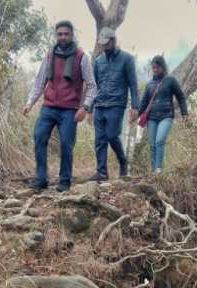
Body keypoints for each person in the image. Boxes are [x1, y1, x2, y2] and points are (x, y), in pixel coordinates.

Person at [24, 20, 97, 193]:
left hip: (70, 109)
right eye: (60, 34)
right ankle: (41, 179)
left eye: (66, 34)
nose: (63, 37)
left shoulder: (82, 57)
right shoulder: (50, 55)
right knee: (39, 136)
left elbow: (93, 86)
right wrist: (29, 102)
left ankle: (64, 181)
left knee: (66, 143)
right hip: (49, 106)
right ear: (56, 35)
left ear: (72, 35)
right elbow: (40, 82)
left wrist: (85, 108)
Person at [89, 27, 139, 181]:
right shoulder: (98, 61)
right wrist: (89, 108)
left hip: (117, 104)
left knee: (111, 135)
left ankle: (123, 161)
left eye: (106, 43)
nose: (104, 46)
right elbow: (94, 85)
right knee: (99, 139)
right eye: (101, 44)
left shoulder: (127, 59)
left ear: (114, 41)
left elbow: (133, 84)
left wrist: (135, 107)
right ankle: (102, 173)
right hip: (99, 104)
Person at [138, 56, 188, 174]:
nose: (155, 69)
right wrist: (137, 115)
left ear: (163, 67)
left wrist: (184, 113)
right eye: (153, 67)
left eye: (157, 67)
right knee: (152, 144)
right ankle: (153, 170)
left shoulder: (170, 80)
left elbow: (180, 96)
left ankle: (159, 169)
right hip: (152, 118)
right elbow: (144, 102)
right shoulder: (149, 84)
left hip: (166, 116)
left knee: (159, 140)